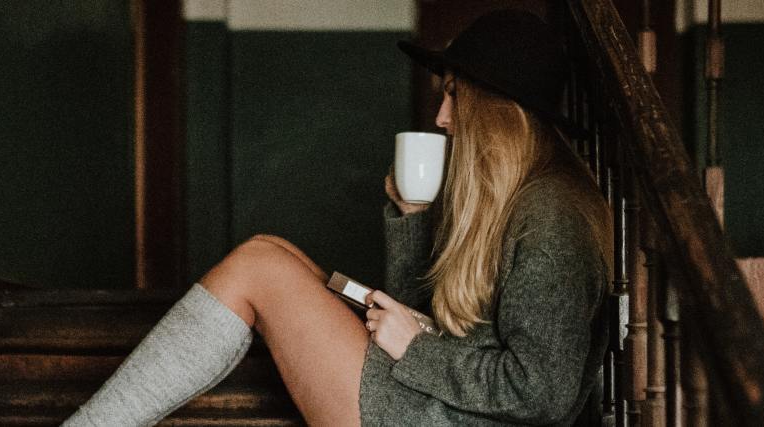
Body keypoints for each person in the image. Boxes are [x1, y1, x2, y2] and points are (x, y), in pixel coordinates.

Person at [63, 8, 612, 427]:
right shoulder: (525, 201)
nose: (443, 118)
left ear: (496, 112)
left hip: (442, 417)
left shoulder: (551, 217)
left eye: (454, 96)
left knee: (258, 267)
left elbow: (545, 390)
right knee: (275, 250)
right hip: (439, 406)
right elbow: (424, 312)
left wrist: (416, 347)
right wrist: (411, 217)